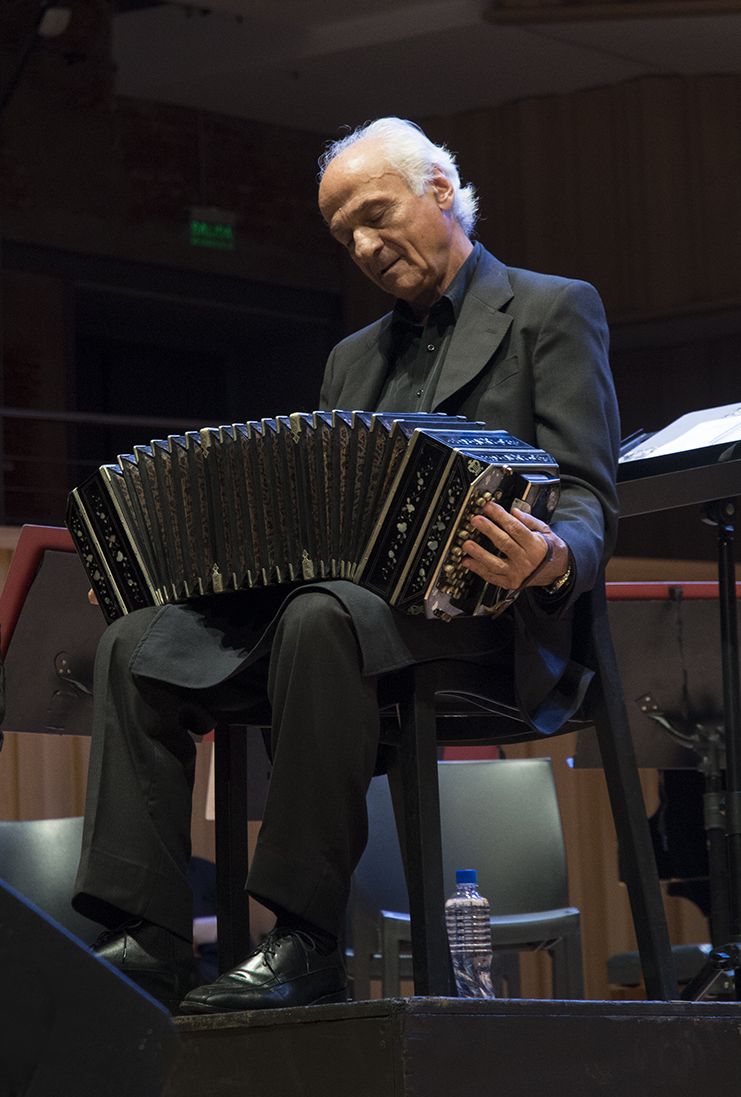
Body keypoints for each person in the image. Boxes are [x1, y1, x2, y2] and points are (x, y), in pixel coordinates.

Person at [73, 117, 619, 1014]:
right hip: (337, 623)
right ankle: (150, 938)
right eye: (345, 236)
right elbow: (300, 526)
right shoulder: (349, 359)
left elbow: (591, 488)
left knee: (323, 615)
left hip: (491, 625)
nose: (364, 246)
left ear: (439, 191)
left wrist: (555, 555)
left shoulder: (552, 310)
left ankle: (306, 940)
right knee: (135, 643)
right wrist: (172, 574)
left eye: (375, 215)